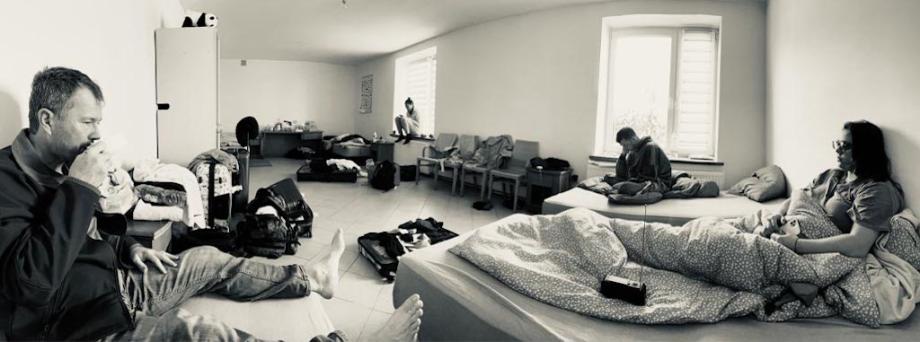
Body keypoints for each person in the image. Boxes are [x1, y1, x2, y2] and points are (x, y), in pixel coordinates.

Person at [0, 67, 423, 341]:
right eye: (87, 122)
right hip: (81, 324)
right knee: (196, 334)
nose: (97, 135)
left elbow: (85, 238)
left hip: (119, 284)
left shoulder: (61, 165)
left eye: (99, 123)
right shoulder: (7, 182)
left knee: (206, 256)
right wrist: (80, 189)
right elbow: (31, 285)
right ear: (46, 120)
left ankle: (311, 278)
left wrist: (128, 248)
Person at [764, 120, 904, 258]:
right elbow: (799, 197)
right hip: (784, 230)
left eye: (845, 146)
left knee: (748, 249)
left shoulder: (875, 191)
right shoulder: (832, 175)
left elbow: (859, 245)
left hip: (806, 248)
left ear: (865, 151)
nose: (838, 149)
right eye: (838, 144)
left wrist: (796, 245)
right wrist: (777, 214)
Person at [606, 127, 672, 195]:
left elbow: (650, 176)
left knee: (624, 187)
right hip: (638, 181)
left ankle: (621, 189)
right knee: (607, 177)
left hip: (656, 183)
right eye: (623, 146)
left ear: (633, 139)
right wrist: (623, 155)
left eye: (625, 145)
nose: (625, 148)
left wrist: (630, 182)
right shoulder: (632, 151)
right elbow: (621, 175)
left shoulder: (650, 147)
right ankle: (621, 188)